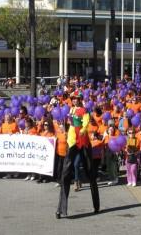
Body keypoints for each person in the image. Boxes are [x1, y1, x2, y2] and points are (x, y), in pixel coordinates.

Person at [56, 91, 99, 219]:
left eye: (77, 98)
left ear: (80, 99)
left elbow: (85, 122)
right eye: (73, 98)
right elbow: (69, 123)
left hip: (84, 142)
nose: (75, 100)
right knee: (65, 174)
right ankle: (60, 209)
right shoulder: (71, 109)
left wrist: (83, 129)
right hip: (72, 142)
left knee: (91, 173)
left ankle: (96, 205)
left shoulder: (84, 110)